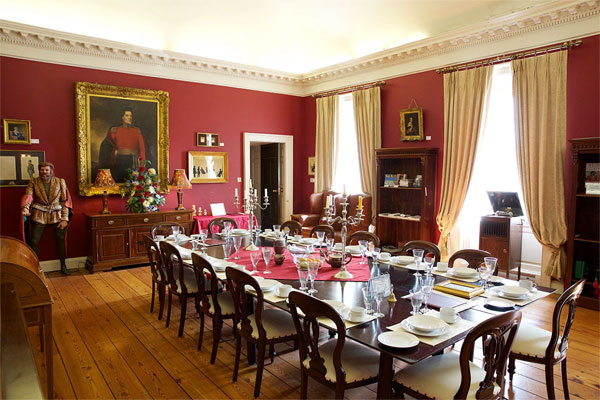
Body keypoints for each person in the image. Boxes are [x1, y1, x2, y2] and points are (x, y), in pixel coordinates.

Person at [21, 162, 72, 275]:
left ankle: (63, 265)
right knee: (34, 241)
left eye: (46, 170)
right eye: (42, 170)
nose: (44, 172)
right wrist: (25, 207)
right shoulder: (33, 181)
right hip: (39, 213)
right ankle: (36, 267)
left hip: (57, 214)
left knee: (60, 240)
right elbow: (28, 196)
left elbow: (65, 201)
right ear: (39, 171)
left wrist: (64, 219)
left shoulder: (60, 182)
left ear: (51, 171)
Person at [98, 108, 146, 182]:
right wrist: (114, 151)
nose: (129, 117)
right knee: (119, 181)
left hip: (133, 161)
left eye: (130, 116)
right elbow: (107, 145)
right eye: (127, 115)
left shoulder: (137, 130)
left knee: (131, 182)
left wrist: (142, 164)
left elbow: (142, 149)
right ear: (122, 117)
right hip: (119, 160)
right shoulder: (114, 130)